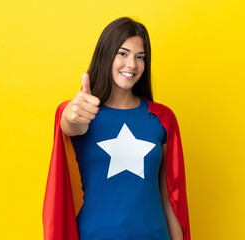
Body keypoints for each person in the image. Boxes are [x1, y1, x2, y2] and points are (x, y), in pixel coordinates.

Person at [43, 17, 190, 240]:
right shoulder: (84, 112)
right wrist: (70, 114)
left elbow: (168, 198)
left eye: (140, 57)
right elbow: (69, 123)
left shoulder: (162, 118)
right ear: (106, 55)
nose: (132, 64)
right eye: (123, 53)